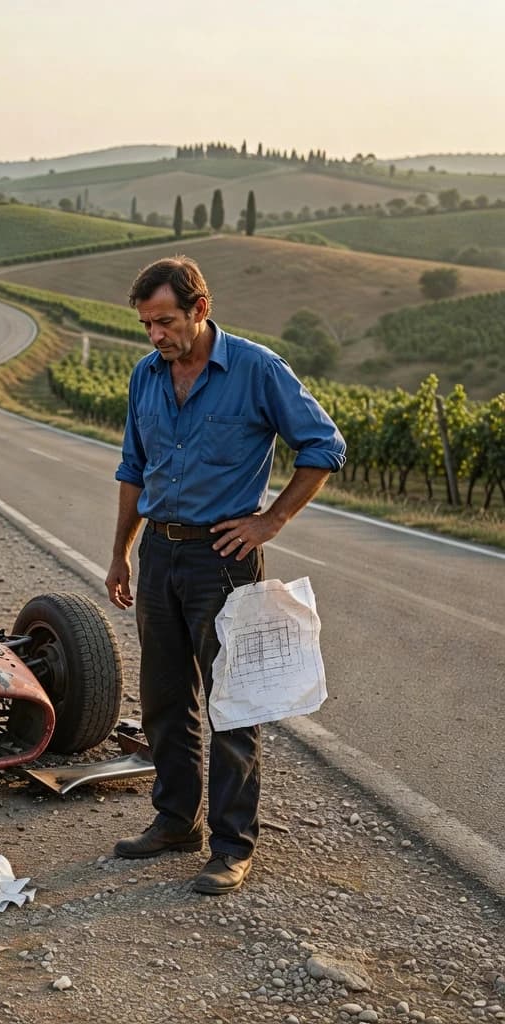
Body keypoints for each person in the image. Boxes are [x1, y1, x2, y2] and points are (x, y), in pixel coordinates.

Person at [105, 255, 346, 894]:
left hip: (225, 559)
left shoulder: (256, 369)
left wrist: (272, 522)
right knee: (162, 698)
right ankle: (174, 821)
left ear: (199, 309)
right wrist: (119, 553)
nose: (155, 336)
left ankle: (232, 844)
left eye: (165, 322)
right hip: (159, 553)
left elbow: (325, 445)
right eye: (146, 325)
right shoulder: (145, 376)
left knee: (233, 703)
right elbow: (134, 467)